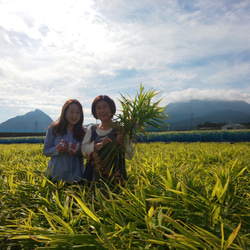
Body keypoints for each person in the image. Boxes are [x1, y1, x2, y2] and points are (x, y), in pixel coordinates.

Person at [81, 95, 134, 186]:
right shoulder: (92, 129)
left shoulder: (121, 130)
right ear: (95, 112)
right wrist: (100, 145)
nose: (102, 111)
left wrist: (121, 143)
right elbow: (83, 151)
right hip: (92, 178)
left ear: (111, 108)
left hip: (115, 178)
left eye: (105, 107)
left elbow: (130, 155)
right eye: (98, 108)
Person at [43, 99, 85, 184]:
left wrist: (77, 150)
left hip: (77, 178)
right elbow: (46, 151)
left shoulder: (84, 132)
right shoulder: (54, 129)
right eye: (71, 111)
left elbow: (86, 152)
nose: (74, 115)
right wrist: (57, 149)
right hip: (56, 176)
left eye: (78, 113)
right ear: (65, 112)